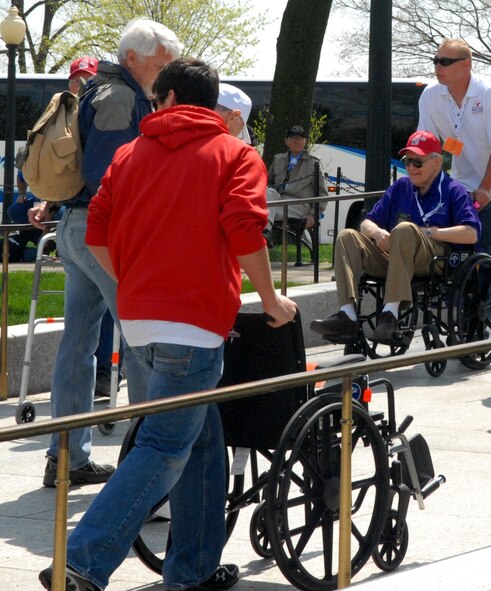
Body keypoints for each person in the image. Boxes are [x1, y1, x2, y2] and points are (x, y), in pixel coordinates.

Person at [39, 57, 297, 591]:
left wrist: (132, 282)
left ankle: (194, 568)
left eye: (155, 99)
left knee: (200, 439)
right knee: (164, 445)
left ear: (172, 98)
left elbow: (97, 234)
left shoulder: (130, 154)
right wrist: (271, 300)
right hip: (195, 326)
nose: (152, 106)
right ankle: (81, 562)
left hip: (138, 321)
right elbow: (246, 231)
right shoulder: (235, 154)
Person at [28, 18, 182, 489]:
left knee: (77, 346)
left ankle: (67, 457)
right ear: (134, 58)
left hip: (79, 232)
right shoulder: (118, 98)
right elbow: (110, 175)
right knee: (140, 341)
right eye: (161, 64)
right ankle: (145, 469)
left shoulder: (103, 90)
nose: (167, 73)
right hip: (102, 234)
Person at [310, 130, 481, 343]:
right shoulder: (401, 187)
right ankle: (348, 315)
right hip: (394, 256)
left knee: (404, 229)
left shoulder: (454, 190)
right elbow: (366, 222)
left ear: (436, 162)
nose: (410, 167)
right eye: (407, 161)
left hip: (434, 260)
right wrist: (377, 232)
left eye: (417, 162)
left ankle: (390, 314)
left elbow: (471, 233)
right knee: (347, 236)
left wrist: (428, 232)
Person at [417, 38, 491, 274]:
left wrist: (485, 189)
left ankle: (489, 310)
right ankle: (467, 309)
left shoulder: (488, 94)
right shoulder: (430, 96)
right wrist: (427, 186)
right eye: (435, 61)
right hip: (462, 187)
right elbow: (428, 146)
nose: (438, 67)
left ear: (466, 65)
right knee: (458, 263)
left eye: (445, 61)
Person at [267, 125, 329, 265]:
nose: (297, 141)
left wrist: (313, 213)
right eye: (293, 138)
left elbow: (322, 193)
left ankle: (264, 233)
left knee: (263, 210)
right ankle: (265, 233)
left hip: (300, 204)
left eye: (300, 138)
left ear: (305, 141)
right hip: (279, 200)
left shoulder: (314, 162)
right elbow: (268, 182)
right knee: (268, 193)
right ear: (286, 141)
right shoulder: (278, 159)